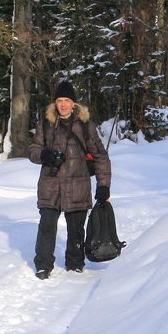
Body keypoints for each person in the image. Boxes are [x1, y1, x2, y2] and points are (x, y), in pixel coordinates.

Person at [28, 79, 111, 279]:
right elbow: (33, 150)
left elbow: (100, 156)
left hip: (77, 186)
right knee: (47, 226)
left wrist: (104, 186)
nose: (63, 104)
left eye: (67, 100)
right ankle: (43, 265)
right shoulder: (45, 123)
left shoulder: (85, 125)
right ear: (55, 103)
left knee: (76, 230)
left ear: (73, 103)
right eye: (59, 100)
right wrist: (44, 155)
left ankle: (75, 264)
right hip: (51, 185)